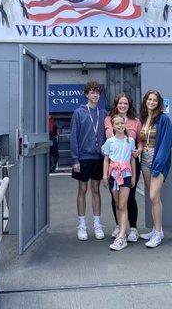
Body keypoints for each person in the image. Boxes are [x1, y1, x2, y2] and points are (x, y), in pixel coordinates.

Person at [70, 81, 106, 241]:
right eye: (92, 92)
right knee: (82, 190)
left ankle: (97, 224)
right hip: (83, 157)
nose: (95, 95)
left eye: (97, 92)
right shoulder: (79, 112)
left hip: (98, 157)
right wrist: (75, 158)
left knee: (96, 190)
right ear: (86, 94)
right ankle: (82, 225)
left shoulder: (103, 113)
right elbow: (73, 137)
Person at [104, 93, 142, 242]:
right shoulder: (108, 119)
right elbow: (106, 140)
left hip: (129, 164)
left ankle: (133, 228)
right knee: (115, 199)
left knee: (130, 196)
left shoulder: (135, 121)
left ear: (129, 105)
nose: (122, 106)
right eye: (120, 103)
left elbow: (139, 141)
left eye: (125, 103)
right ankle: (119, 226)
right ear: (116, 104)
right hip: (113, 165)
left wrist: (138, 150)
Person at [138, 90, 172, 248]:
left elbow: (166, 144)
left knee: (153, 196)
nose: (152, 102)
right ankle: (155, 229)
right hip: (145, 161)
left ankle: (158, 234)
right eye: (149, 99)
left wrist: (157, 165)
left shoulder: (164, 119)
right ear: (146, 101)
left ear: (158, 103)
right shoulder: (144, 119)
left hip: (157, 162)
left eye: (155, 100)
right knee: (154, 197)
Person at [102, 114, 136, 251]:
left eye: (122, 123)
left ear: (125, 124)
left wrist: (133, 176)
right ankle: (121, 232)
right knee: (117, 204)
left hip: (126, 175)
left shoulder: (130, 141)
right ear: (113, 126)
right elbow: (106, 159)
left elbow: (133, 159)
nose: (120, 126)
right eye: (117, 124)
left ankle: (122, 236)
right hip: (113, 175)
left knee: (123, 204)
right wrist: (105, 176)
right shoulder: (110, 142)